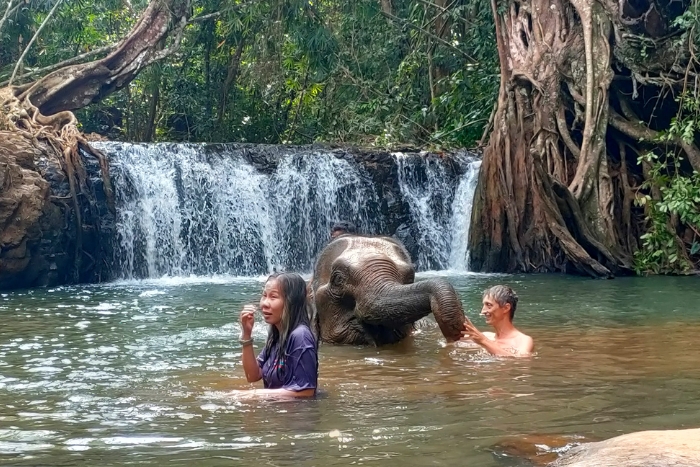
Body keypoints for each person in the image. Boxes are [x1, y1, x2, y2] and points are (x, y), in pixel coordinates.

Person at [239, 272, 318, 397]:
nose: (264, 303)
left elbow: (305, 392)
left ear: (290, 302)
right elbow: (252, 376)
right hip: (280, 413)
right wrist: (247, 335)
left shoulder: (301, 336)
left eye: (273, 297)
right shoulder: (277, 335)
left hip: (298, 415)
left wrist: (255, 395)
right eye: (264, 295)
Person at [460, 285, 534, 358]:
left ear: (506, 308)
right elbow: (453, 340)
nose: (483, 311)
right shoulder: (485, 336)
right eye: (483, 305)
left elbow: (521, 361)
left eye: (489, 305)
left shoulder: (523, 340)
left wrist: (483, 341)